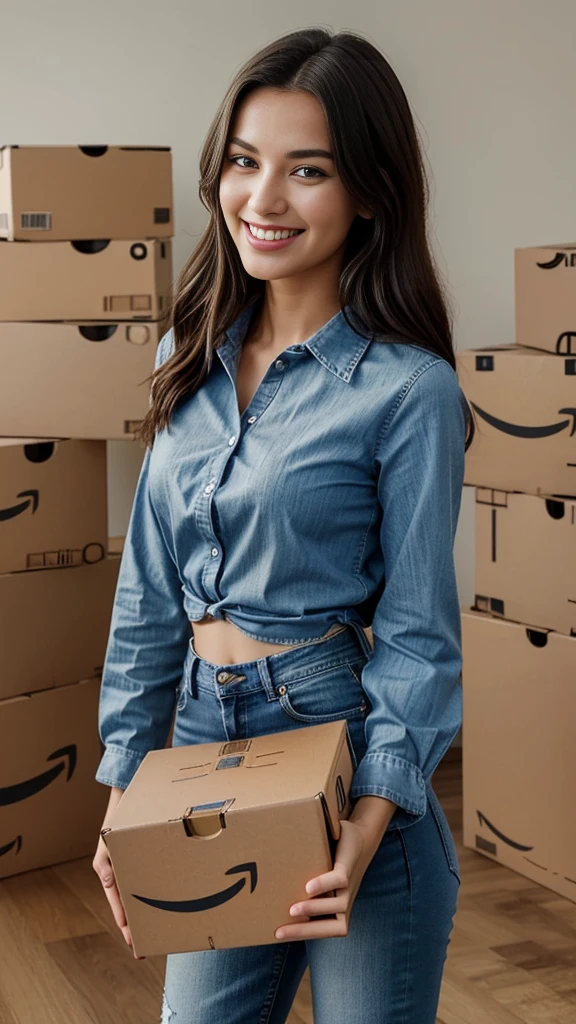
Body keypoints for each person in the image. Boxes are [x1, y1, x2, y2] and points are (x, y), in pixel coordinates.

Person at [92, 25, 475, 1024]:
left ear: (370, 191)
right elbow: (146, 592)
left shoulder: (409, 392)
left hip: (345, 758)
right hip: (201, 749)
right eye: (244, 162)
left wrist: (365, 821)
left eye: (307, 171)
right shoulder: (191, 353)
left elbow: (422, 634)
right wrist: (124, 785)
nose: (262, 201)